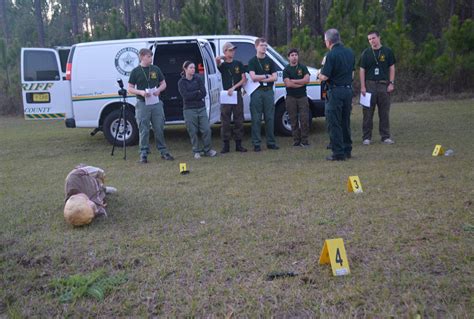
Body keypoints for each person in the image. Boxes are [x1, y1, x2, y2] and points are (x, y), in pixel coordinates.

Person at [128, 48, 174, 164]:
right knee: (144, 128)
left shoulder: (155, 69)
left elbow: (163, 84)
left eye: (151, 56)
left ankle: (163, 151)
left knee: (159, 127)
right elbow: (130, 88)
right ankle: (143, 153)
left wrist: (158, 90)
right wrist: (141, 92)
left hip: (156, 102)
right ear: (142, 56)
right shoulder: (136, 71)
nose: (150, 59)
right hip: (143, 103)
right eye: (149, 56)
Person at [318, 28, 355, 161]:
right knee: (345, 121)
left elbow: (325, 76)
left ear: (328, 41)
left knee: (334, 122)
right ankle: (347, 150)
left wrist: (318, 74)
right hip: (348, 90)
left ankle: (338, 152)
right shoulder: (350, 52)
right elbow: (352, 74)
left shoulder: (331, 55)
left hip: (335, 92)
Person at [360, 31, 396, 145]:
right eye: (369, 39)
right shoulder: (366, 53)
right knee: (367, 113)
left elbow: (392, 68)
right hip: (369, 85)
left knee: (384, 112)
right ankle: (366, 137)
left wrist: (391, 83)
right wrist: (363, 86)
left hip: (383, 85)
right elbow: (362, 70)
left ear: (379, 37)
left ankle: (385, 136)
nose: (372, 41)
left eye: (373, 38)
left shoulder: (387, 51)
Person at [177, 60, 217, 159]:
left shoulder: (198, 78)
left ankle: (208, 150)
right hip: (189, 109)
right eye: (191, 68)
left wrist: (195, 93)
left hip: (201, 107)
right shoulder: (181, 82)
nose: (193, 69)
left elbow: (203, 93)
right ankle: (196, 151)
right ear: (185, 69)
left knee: (206, 129)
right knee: (193, 131)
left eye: (194, 68)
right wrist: (196, 93)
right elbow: (185, 96)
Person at [247, 38, 279, 152]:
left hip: (268, 91)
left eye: (265, 45)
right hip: (257, 92)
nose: (264, 47)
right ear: (256, 47)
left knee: (270, 117)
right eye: (261, 45)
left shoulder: (270, 61)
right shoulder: (252, 61)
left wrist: (262, 77)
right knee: (256, 118)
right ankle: (256, 143)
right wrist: (266, 76)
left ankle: (271, 142)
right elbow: (253, 77)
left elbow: (275, 77)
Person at [216, 42, 248, 153]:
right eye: (230, 50)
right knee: (225, 120)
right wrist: (224, 57)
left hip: (236, 93)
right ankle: (226, 145)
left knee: (239, 119)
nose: (232, 52)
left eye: (233, 50)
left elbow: (244, 79)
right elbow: (217, 60)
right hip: (226, 96)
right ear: (225, 51)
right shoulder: (223, 65)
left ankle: (238, 144)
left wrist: (234, 88)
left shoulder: (238, 63)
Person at [283, 48, 311, 147]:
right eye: (292, 55)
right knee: (293, 120)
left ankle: (304, 141)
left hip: (302, 97)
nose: (294, 57)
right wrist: (301, 82)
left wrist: (294, 81)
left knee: (304, 119)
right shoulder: (286, 69)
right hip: (291, 98)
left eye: (296, 55)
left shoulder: (303, 67)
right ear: (288, 57)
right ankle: (296, 141)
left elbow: (307, 80)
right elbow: (288, 84)